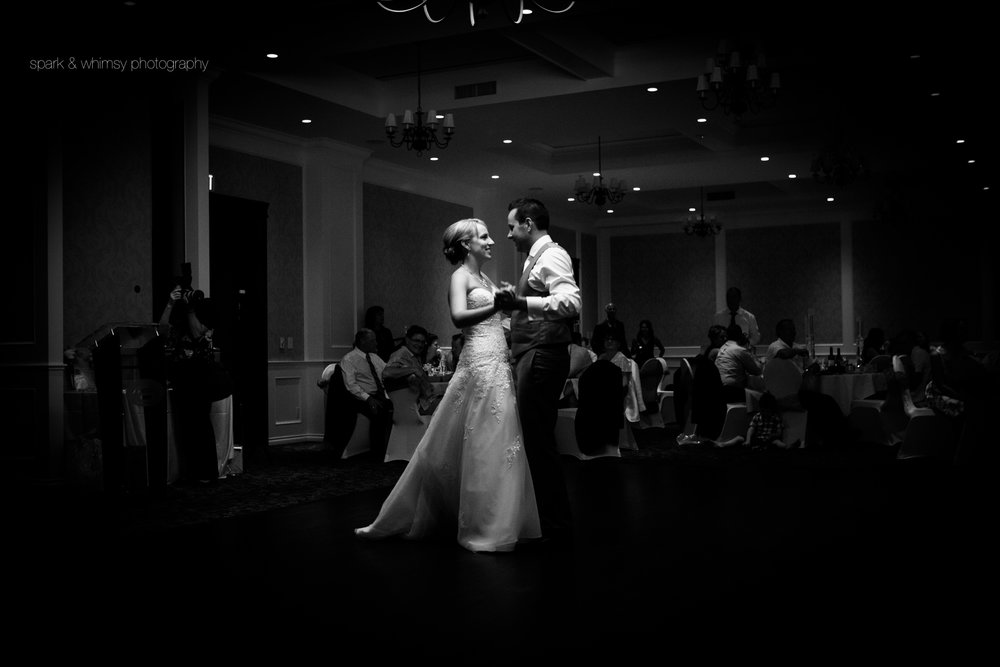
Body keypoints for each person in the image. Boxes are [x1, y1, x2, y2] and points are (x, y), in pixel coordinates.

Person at [356, 218, 540, 553]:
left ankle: (498, 520)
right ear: (466, 244)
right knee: (480, 442)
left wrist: (512, 311)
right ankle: (479, 523)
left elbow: (497, 322)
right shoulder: (460, 276)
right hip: (479, 365)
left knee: (498, 443)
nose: (492, 241)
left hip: (498, 364)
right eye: (484, 237)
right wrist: (496, 305)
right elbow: (457, 316)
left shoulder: (483, 278)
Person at [496, 197, 582, 545]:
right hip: (534, 353)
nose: (508, 234)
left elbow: (571, 302)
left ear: (528, 223)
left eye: (511, 226)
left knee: (539, 440)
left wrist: (519, 302)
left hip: (543, 355)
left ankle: (554, 523)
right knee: (536, 438)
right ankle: (548, 519)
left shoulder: (552, 255)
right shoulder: (534, 259)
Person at [158, 281, 233, 484]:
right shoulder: (179, 315)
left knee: (200, 423)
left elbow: (197, 332)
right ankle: (191, 472)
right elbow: (162, 330)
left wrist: (190, 307)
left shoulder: (205, 309)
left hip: (200, 375)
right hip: (181, 375)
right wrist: (170, 303)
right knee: (186, 426)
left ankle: (207, 472)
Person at [339, 328, 394, 461]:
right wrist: (368, 399)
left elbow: (387, 371)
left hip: (380, 394)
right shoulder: (349, 359)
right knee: (379, 411)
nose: (376, 343)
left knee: (400, 406)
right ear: (363, 342)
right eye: (373, 340)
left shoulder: (374, 357)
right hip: (360, 398)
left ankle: (394, 448)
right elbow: (351, 386)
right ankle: (378, 453)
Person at [382, 324, 441, 415]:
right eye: (416, 341)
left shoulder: (413, 355)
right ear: (407, 340)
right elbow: (386, 372)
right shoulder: (401, 354)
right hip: (416, 407)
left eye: (422, 342)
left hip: (425, 401)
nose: (420, 344)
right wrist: (413, 369)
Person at [715, 324, 762, 403]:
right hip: (732, 391)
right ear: (740, 336)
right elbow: (757, 370)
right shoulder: (739, 350)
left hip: (718, 390)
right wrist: (750, 350)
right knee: (763, 398)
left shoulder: (723, 348)